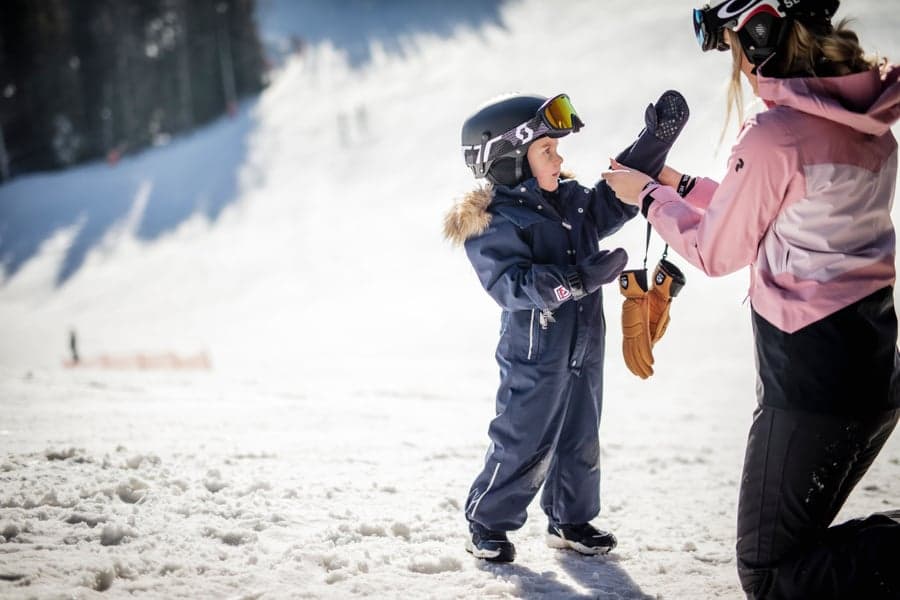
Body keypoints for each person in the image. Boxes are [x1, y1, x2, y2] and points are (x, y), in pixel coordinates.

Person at [602, 1, 900, 597]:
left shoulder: (777, 134)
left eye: (734, 45)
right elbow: (776, 208)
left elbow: (717, 250)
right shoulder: (866, 124)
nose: (736, 63)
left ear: (760, 35)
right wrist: (678, 184)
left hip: (811, 384)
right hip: (871, 373)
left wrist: (648, 200)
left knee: (771, 574)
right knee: (805, 552)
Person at [444, 91, 687, 562]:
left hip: (584, 345)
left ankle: (570, 520)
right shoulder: (495, 222)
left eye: (558, 149)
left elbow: (613, 201)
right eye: (547, 150)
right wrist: (577, 281)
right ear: (512, 158)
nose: (560, 158)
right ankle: (487, 521)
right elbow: (510, 285)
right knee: (523, 438)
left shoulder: (570, 201)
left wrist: (653, 145)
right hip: (535, 352)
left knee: (580, 435)